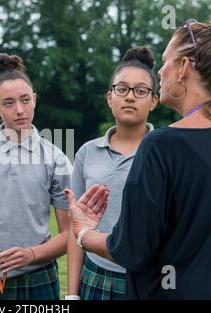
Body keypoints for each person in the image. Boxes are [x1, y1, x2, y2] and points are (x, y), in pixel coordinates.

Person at [66, 15, 211, 299]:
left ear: (184, 67)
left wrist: (84, 232)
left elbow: (132, 251)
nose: (160, 72)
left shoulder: (161, 146)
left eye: (165, 62)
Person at [0, 53, 72, 300]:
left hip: (37, 277)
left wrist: (32, 254)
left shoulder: (56, 159)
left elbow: (69, 233)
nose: (19, 110)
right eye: (8, 103)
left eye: (25, 100)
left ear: (35, 100)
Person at [66, 47, 157, 300]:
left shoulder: (165, 153)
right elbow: (77, 229)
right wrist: (72, 294)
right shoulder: (87, 152)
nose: (130, 97)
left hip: (147, 279)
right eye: (122, 89)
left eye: (140, 91)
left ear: (153, 100)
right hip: (95, 278)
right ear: (109, 97)